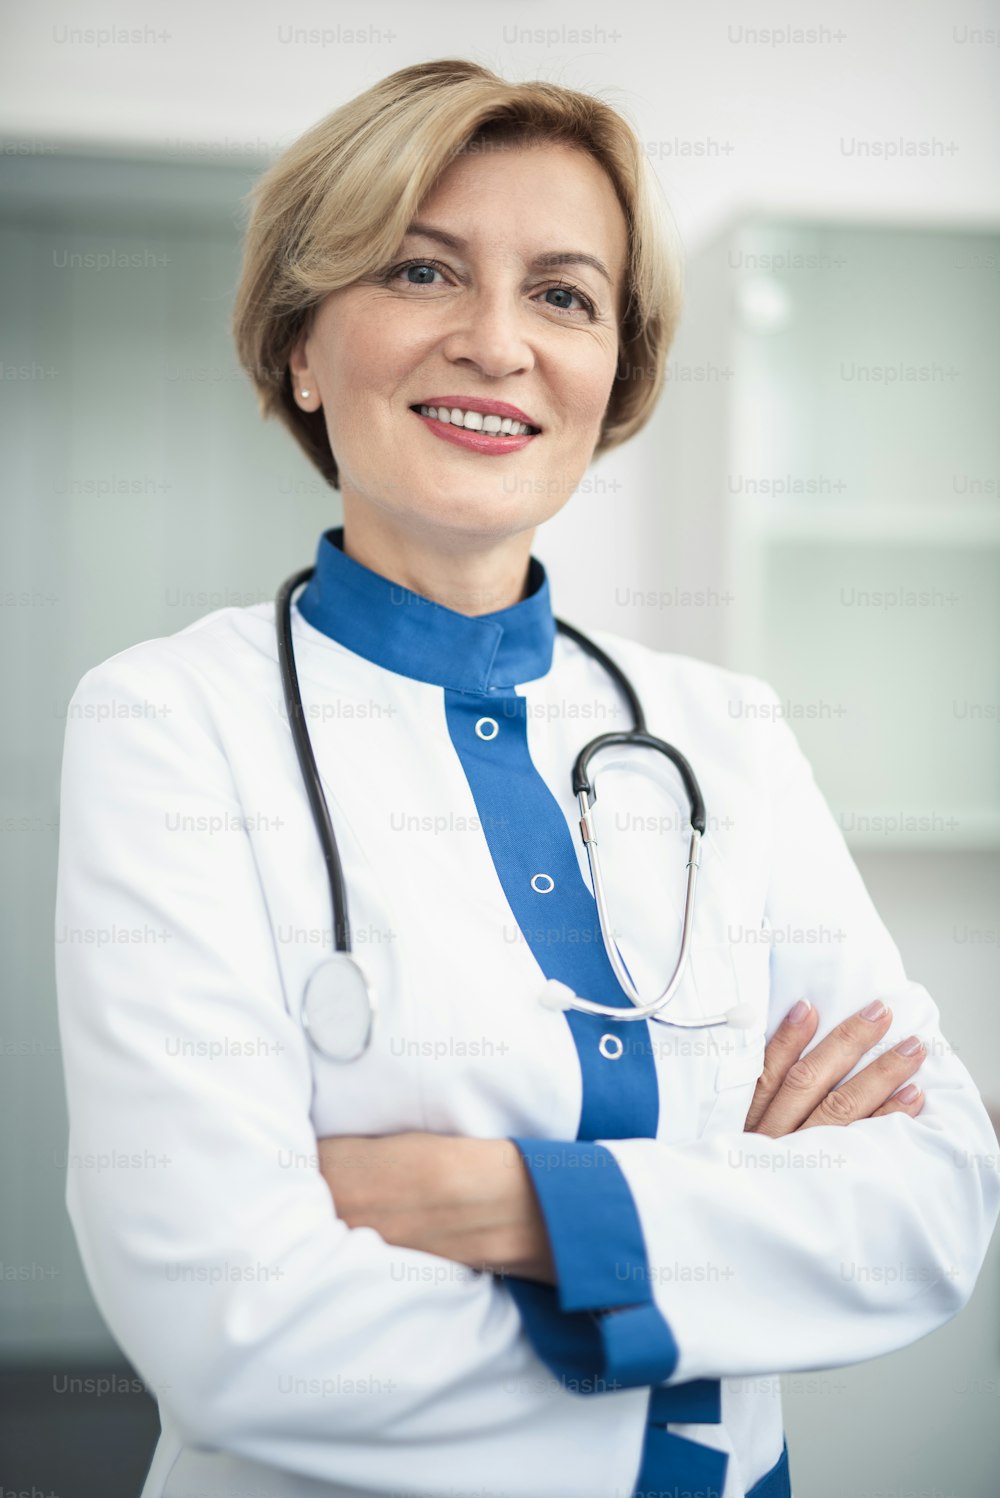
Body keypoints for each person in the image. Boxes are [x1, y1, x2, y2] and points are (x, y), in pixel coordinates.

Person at [54, 57, 1000, 1498]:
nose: (497, 342)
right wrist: (730, 1271)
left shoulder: (724, 732)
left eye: (563, 293)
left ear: (614, 370)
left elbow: (934, 1207)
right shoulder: (170, 723)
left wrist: (492, 1200)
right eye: (422, 271)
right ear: (303, 346)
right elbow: (239, 1331)